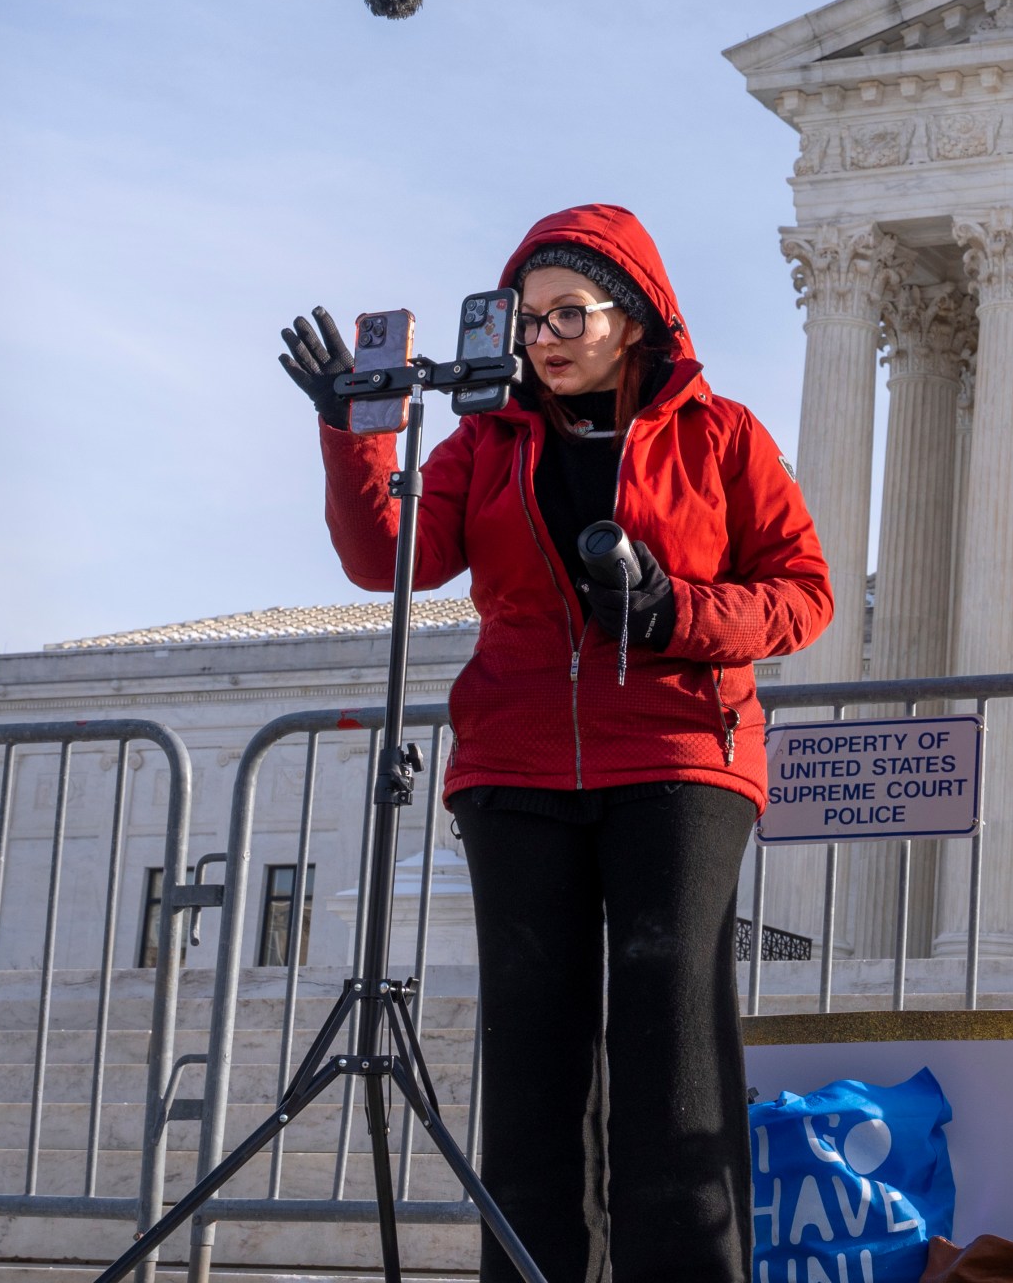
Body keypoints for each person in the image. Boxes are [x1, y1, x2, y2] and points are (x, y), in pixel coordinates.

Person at [278, 204, 833, 1283]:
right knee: (530, 1078)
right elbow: (388, 560)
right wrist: (355, 434)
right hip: (517, 769)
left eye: (568, 311)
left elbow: (802, 595)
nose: (544, 335)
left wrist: (675, 612)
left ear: (633, 319)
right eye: (526, 317)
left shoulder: (723, 434)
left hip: (679, 761)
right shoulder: (483, 442)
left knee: (673, 1073)